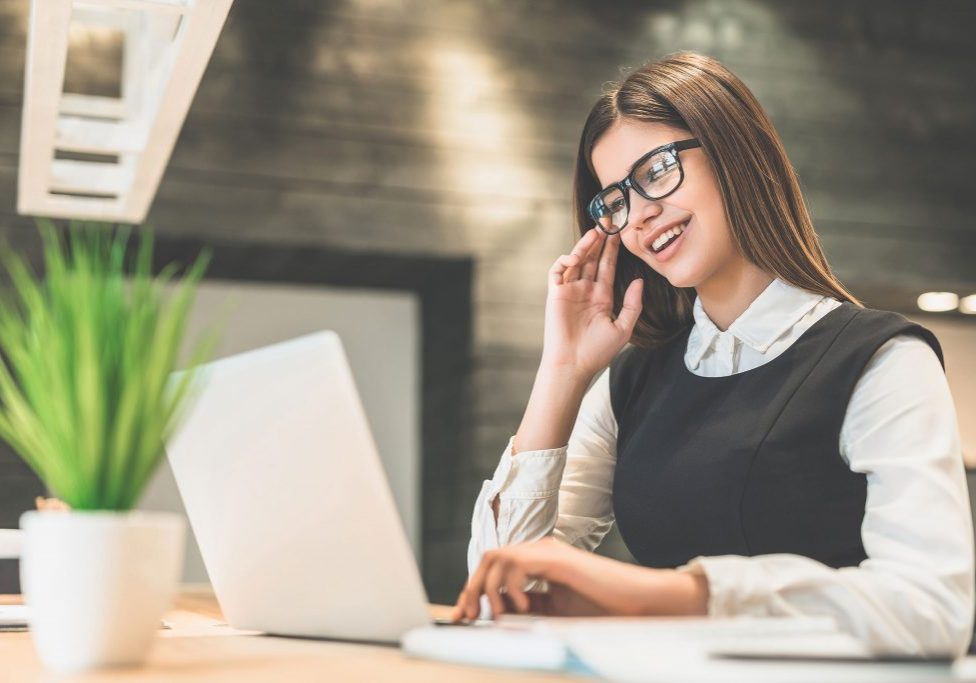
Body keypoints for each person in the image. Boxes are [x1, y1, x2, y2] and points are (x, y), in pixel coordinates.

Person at [450, 51, 975, 657]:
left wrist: (683, 595)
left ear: (735, 153)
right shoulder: (632, 384)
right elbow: (498, 593)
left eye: (656, 172)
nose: (640, 213)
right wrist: (562, 372)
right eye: (615, 200)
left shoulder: (880, 360)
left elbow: (934, 608)